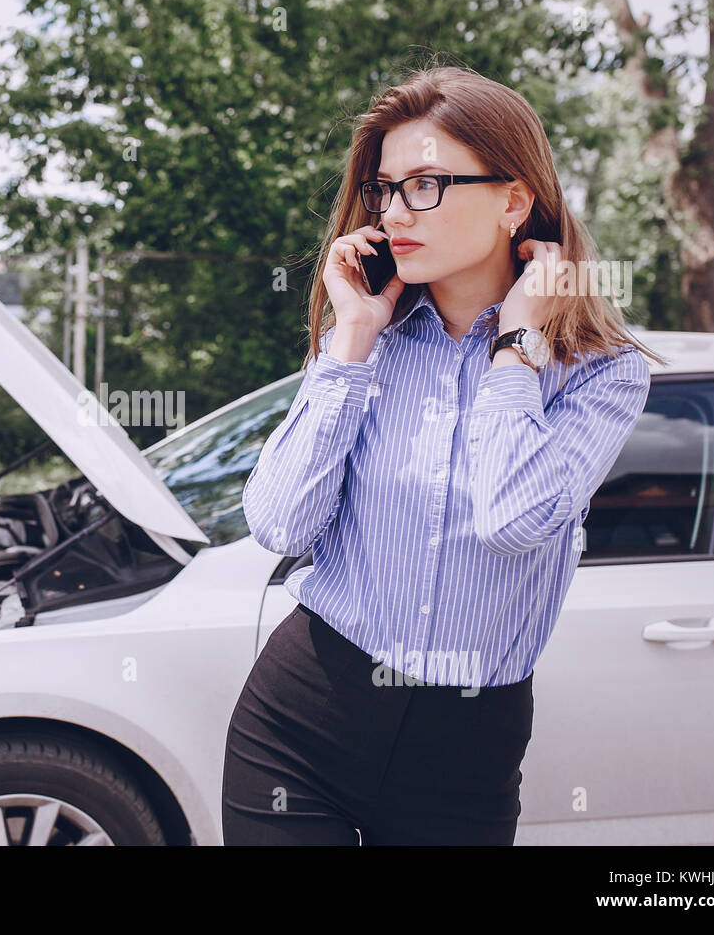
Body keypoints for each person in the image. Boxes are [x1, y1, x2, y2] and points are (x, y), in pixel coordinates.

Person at [222, 64, 669, 846]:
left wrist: (516, 346)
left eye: (425, 185)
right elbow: (280, 524)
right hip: (301, 718)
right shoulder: (365, 342)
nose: (395, 211)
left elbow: (513, 519)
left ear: (514, 199)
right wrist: (353, 339)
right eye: (384, 189)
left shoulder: (601, 372)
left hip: (464, 751)